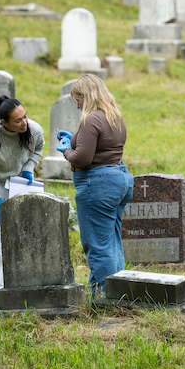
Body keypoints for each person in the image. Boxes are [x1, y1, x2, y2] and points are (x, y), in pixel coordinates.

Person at [58, 74, 133, 297]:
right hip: (118, 179)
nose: (77, 105)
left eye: (78, 99)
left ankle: (103, 298)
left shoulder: (90, 120)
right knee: (112, 242)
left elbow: (82, 159)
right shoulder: (114, 116)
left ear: (87, 96)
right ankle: (118, 292)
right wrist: (74, 138)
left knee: (98, 247)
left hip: (97, 185)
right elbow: (102, 146)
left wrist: (66, 150)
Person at [0, 96, 44, 293]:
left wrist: (29, 167)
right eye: (18, 120)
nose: (24, 122)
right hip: (0, 185)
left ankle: (27, 283)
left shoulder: (34, 130)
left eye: (25, 116)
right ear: (4, 122)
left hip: (22, 184)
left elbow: (39, 148)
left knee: (28, 234)